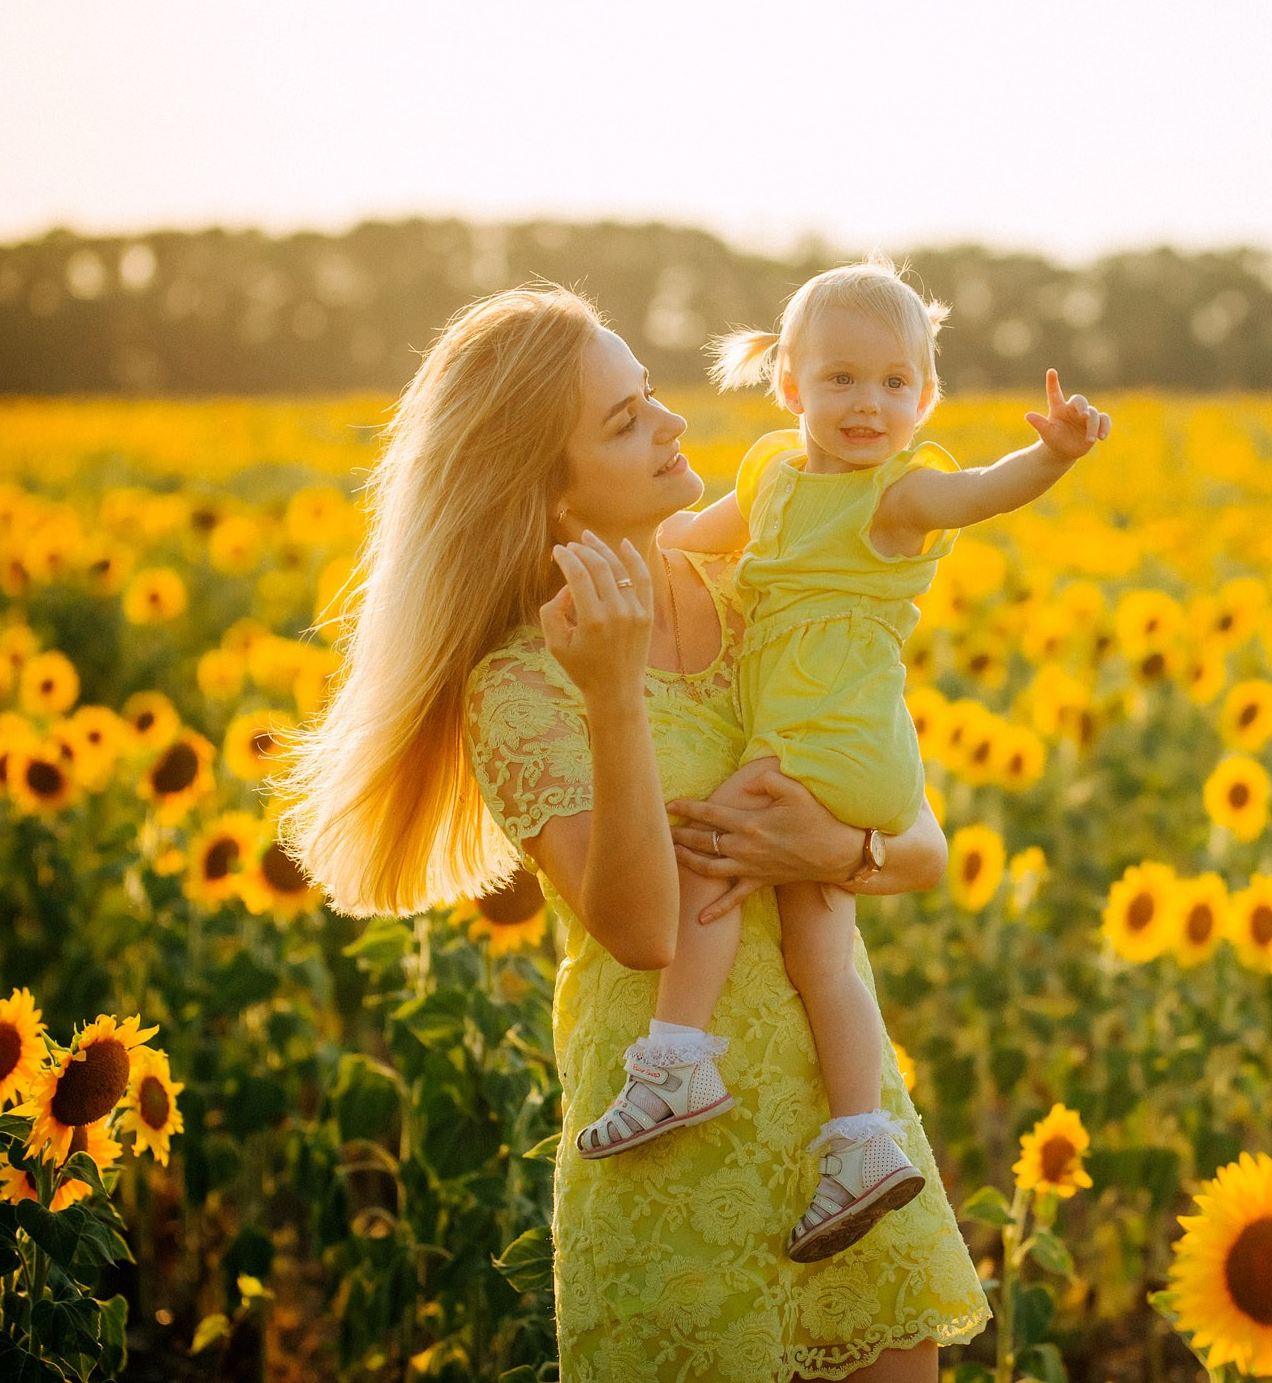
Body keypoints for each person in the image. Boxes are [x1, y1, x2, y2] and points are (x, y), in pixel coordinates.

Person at [274, 283, 988, 1381]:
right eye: (625, 421)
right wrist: (611, 695)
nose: (673, 424)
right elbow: (644, 931)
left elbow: (926, 847)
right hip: (676, 1149)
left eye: (649, 396)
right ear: (551, 497)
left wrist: (829, 856)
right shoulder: (521, 685)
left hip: (848, 1139)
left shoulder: (755, 588)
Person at [572, 257, 1110, 1264]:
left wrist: (1057, 457)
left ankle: (678, 1057)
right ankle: (860, 1139)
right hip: (839, 750)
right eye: (841, 379)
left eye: (895, 384)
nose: (869, 404)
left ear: (926, 397)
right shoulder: (773, 476)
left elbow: (987, 491)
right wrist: (599, 538)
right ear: (790, 387)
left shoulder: (897, 498)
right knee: (822, 949)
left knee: (709, 849)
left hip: (833, 742)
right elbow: (690, 539)